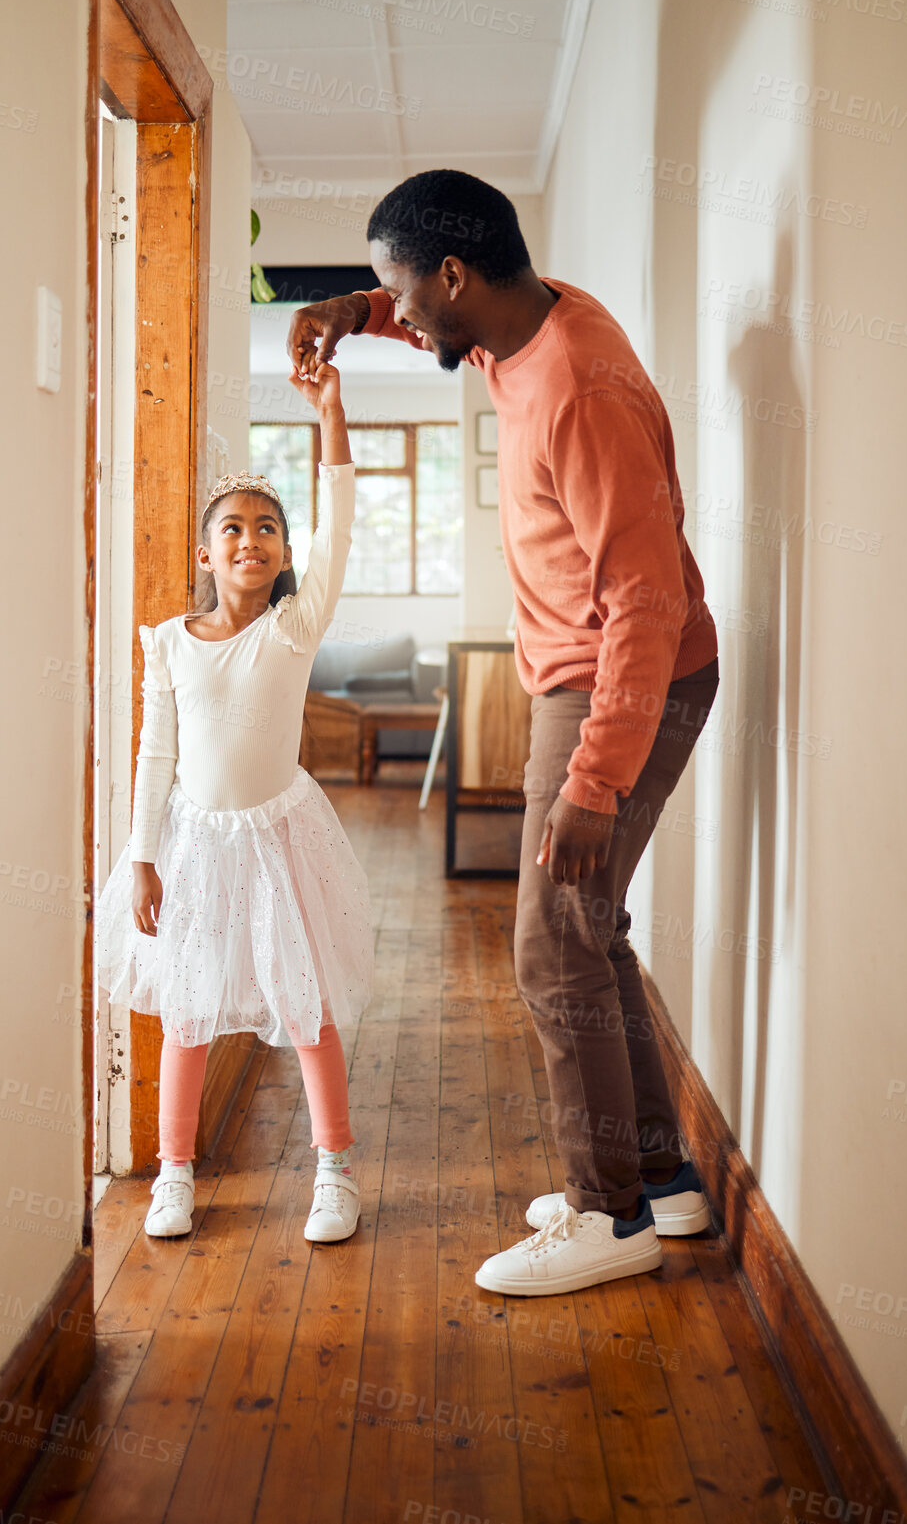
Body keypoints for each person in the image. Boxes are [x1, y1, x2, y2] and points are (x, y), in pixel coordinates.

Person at [286, 169, 719, 1297]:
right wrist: (348, 308)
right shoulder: (518, 320)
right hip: (589, 675)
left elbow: (648, 600)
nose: (400, 313)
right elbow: (423, 317)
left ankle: (605, 1213)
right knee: (589, 930)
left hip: (625, 681)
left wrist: (594, 781)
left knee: (545, 943)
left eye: (400, 294)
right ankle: (657, 1179)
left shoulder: (576, 387)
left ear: (455, 277)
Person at [94, 361, 374, 1246]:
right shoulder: (170, 643)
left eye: (266, 528)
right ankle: (174, 1171)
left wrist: (330, 415)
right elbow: (157, 752)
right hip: (196, 845)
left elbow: (339, 527)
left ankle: (333, 1168)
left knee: (306, 1002)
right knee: (189, 1007)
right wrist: (141, 854)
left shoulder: (292, 627)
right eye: (231, 528)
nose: (250, 539)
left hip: (280, 836)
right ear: (207, 553)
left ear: (283, 554)